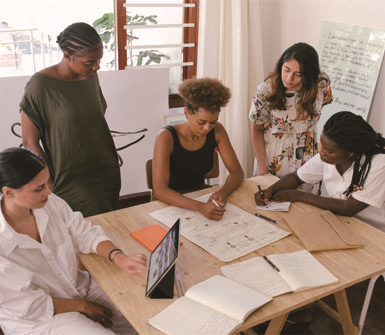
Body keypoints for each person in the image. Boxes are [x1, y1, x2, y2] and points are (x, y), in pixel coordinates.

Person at [0, 147, 148, 334]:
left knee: (141, 310)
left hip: (77, 287)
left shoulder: (49, 202)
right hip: (38, 318)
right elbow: (29, 305)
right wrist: (84, 306)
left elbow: (83, 232)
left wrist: (118, 257)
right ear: (9, 193)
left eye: (47, 182)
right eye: (39, 189)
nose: (48, 191)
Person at [254, 111, 385, 242]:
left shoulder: (381, 163)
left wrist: (300, 196)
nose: (322, 152)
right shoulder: (329, 157)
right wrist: (270, 190)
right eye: (322, 145)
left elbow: (348, 208)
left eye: (329, 151)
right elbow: (297, 177)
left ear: (351, 152)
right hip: (345, 225)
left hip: (382, 236)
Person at [20, 22, 120, 218]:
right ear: (67, 56)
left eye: (99, 60)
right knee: (78, 237)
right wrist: (47, 182)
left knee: (108, 230)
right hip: (69, 179)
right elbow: (30, 141)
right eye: (90, 62)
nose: (97, 66)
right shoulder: (39, 85)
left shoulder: (90, 76)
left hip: (105, 171)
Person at [152, 77, 244, 221]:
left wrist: (224, 192)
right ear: (186, 113)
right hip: (169, 202)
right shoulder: (166, 136)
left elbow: (237, 172)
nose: (207, 128)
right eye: (201, 122)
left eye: (213, 122)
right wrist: (199, 207)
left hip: (200, 195)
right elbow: (160, 191)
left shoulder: (217, 131)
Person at [249, 42, 333, 182]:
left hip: (307, 157)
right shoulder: (265, 90)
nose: (289, 78)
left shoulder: (321, 84)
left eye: (298, 74)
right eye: (286, 70)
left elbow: (316, 113)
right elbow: (256, 129)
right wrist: (261, 166)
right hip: (273, 159)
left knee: (304, 202)